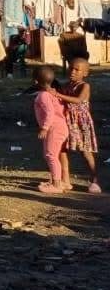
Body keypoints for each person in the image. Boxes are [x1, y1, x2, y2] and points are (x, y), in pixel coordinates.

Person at [49, 55, 100, 193]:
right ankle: (65, 179)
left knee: (85, 151)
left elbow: (78, 100)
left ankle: (94, 180)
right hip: (67, 120)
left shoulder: (85, 86)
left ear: (85, 73)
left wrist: (58, 95)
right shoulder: (66, 85)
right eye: (71, 68)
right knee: (62, 149)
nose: (72, 71)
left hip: (80, 122)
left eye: (77, 70)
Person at [33, 66, 69, 194]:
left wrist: (44, 128)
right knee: (51, 155)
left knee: (51, 155)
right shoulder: (53, 93)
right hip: (59, 127)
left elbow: (50, 113)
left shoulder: (44, 95)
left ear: (35, 81)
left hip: (54, 128)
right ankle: (56, 181)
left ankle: (57, 185)